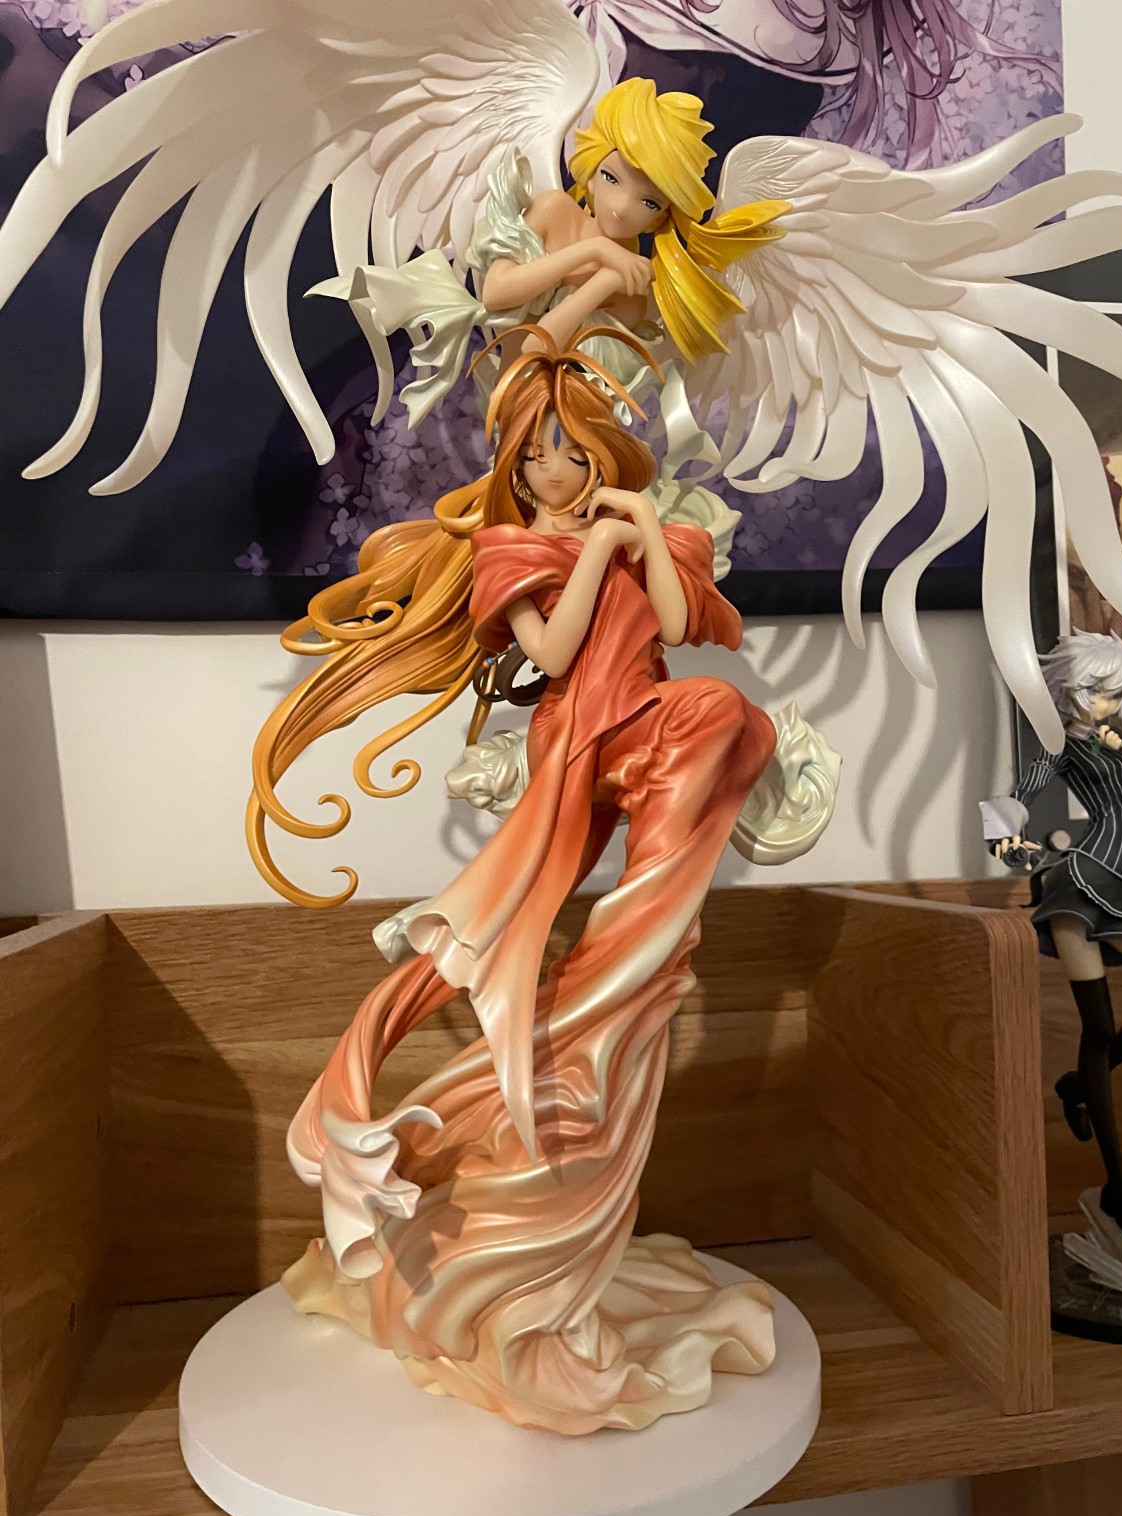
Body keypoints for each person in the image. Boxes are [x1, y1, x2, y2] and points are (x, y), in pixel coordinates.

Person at [258, 328, 779, 1432]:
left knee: (723, 712)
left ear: (605, 451)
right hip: (573, 740)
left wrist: (644, 530)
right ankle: (431, 1126)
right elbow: (546, 655)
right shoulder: (508, 547)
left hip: (649, 718)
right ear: (515, 460)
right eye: (536, 452)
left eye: (573, 450)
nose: (553, 468)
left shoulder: (662, 533)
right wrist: (597, 549)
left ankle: (637, 964)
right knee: (501, 930)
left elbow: (680, 628)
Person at [982, 631, 1122, 1247]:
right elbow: (1013, 801)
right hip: (1082, 888)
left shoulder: (1118, 739)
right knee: (1098, 1030)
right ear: (1068, 691)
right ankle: (1118, 1187)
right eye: (1094, 690)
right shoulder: (1059, 748)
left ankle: (1079, 1085)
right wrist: (1007, 844)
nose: (1105, 701)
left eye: (1113, 691)